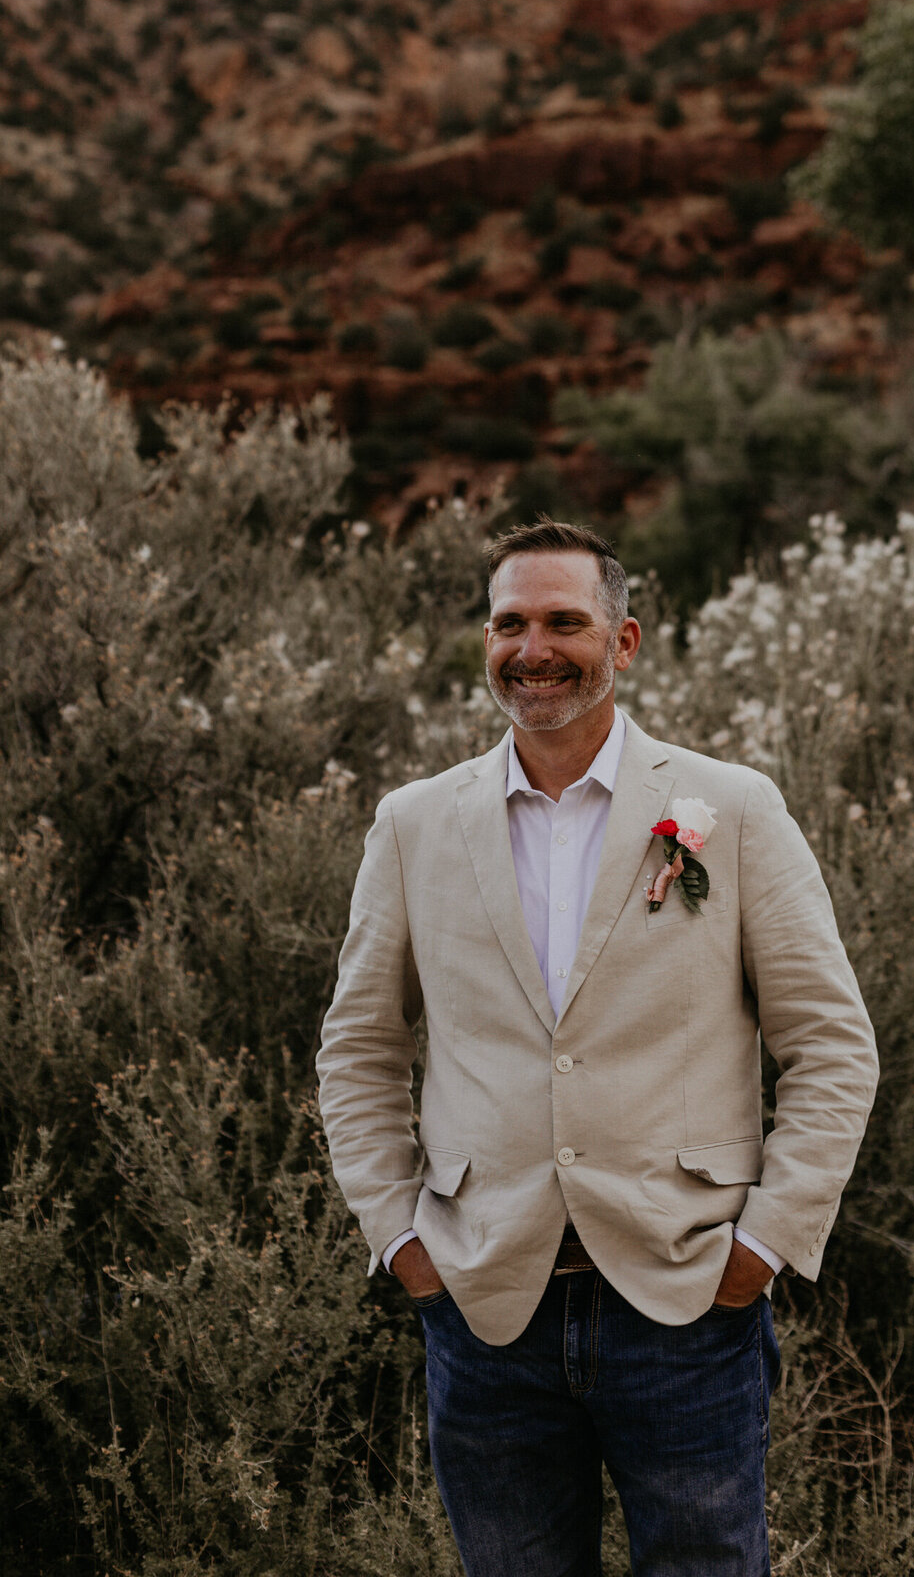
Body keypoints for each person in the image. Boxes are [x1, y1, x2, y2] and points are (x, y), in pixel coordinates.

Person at [316, 518, 878, 1576]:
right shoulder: (414, 824)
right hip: (484, 1307)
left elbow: (833, 1045)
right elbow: (357, 1046)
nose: (533, 648)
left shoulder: (731, 811)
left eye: (564, 621)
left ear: (622, 644)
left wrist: (763, 1247)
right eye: (509, 623)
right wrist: (400, 1240)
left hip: (686, 1302)